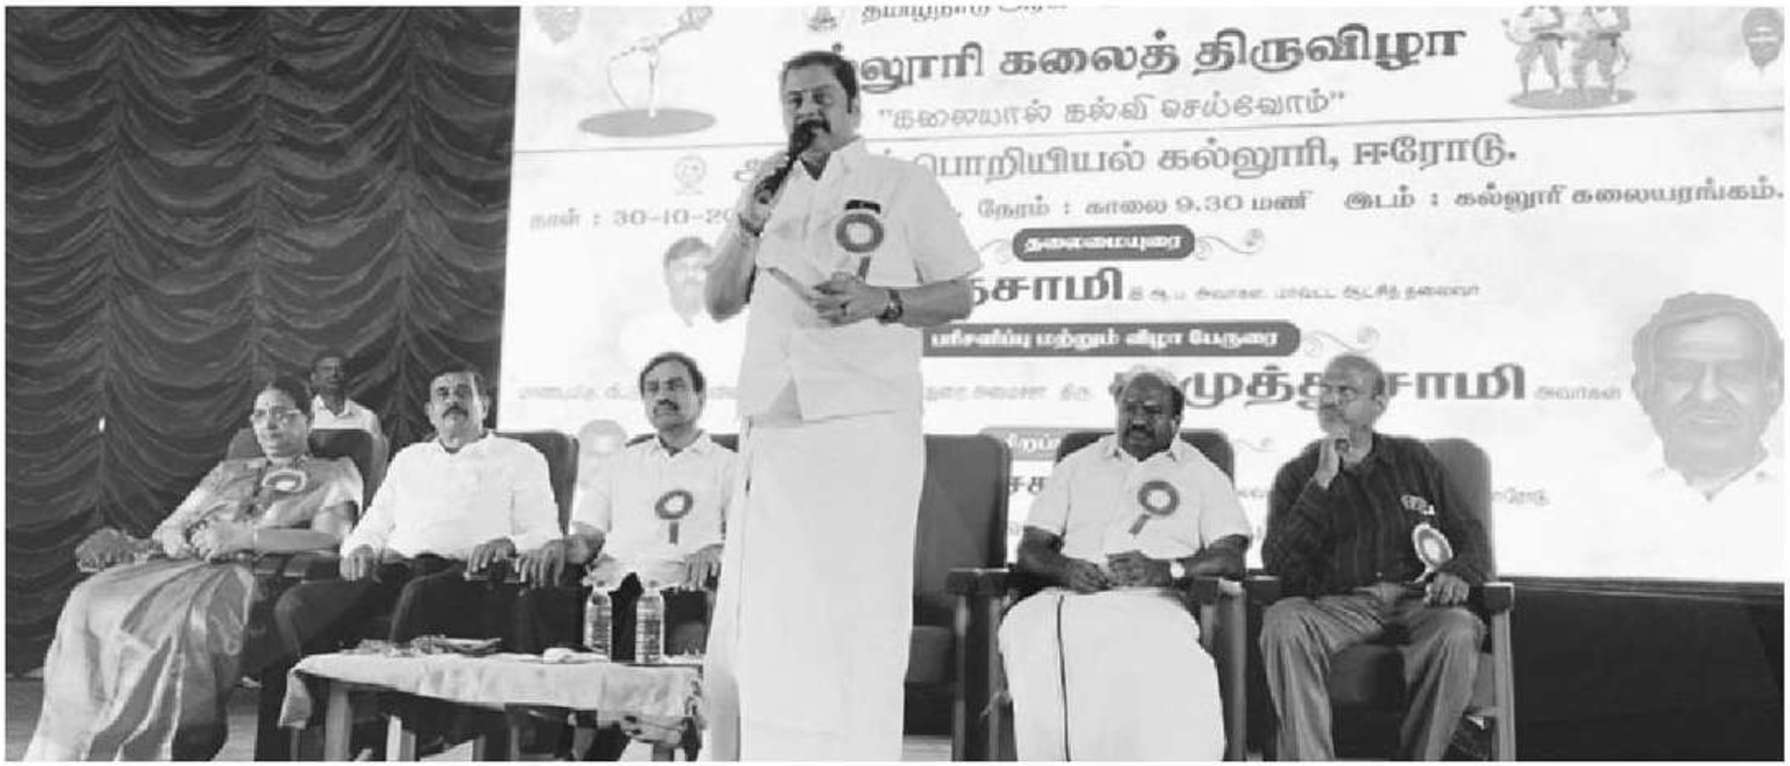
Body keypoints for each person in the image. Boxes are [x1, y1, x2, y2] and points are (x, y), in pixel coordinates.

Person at [700, 48, 982, 759]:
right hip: (776, 425)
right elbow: (719, 301)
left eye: (821, 96)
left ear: (853, 106)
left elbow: (958, 295)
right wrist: (747, 225)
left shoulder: (902, 183)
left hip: (864, 426)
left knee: (853, 616)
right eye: (793, 100)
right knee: (774, 620)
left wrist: (881, 301)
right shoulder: (767, 190)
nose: (807, 111)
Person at [26, 376, 363, 760]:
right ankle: (82, 742)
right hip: (183, 565)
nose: (269, 425)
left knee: (174, 629)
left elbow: (329, 538)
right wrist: (174, 537)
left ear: (308, 419)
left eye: (282, 414)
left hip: (250, 573)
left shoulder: (333, 473)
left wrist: (247, 537)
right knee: (88, 598)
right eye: (259, 415)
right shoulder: (228, 471)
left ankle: (168, 746)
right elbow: (172, 523)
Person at [262, 366, 561, 755]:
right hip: (394, 572)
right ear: (430, 412)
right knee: (296, 605)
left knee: (418, 595)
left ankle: (392, 731)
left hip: (471, 579)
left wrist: (508, 543)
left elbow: (546, 533)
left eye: (462, 393)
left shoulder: (519, 457)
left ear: (484, 406)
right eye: (442, 394)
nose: (452, 401)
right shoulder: (409, 459)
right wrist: (361, 548)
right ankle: (335, 720)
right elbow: (372, 525)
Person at [998, 367, 1250, 760]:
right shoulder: (1078, 465)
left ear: (1177, 420)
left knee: (1152, 647)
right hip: (1072, 595)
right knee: (1027, 626)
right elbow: (1030, 549)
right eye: (1129, 408)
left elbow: (1230, 556)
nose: (1138, 419)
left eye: (1152, 411)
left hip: (1153, 601)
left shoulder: (1202, 474)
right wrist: (1066, 569)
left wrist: (1169, 569)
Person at [1259, 353, 1493, 761]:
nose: (1330, 400)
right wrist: (1322, 482)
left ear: (1379, 403)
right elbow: (1280, 565)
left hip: (1421, 601)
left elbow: (1470, 535)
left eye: (1345, 391)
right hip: (1337, 605)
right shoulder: (1297, 474)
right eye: (1325, 390)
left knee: (1457, 628)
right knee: (1283, 621)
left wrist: (1458, 572)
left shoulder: (1414, 460)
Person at [516, 351, 735, 759]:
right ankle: (547, 746)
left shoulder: (729, 467)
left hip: (676, 588)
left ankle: (596, 752)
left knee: (638, 609)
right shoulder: (621, 463)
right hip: (607, 587)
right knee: (537, 603)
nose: (662, 396)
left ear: (701, 397)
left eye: (675, 386)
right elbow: (588, 540)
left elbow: (748, 542)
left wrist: (718, 549)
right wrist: (562, 546)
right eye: (653, 389)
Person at [618, 237, 747, 414]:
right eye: (681, 268)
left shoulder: (738, 329)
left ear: (714, 274)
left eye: (699, 268)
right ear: (666, 275)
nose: (690, 276)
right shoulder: (638, 331)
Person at [308, 347, 389, 486]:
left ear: (348, 376)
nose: (334, 374)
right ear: (314, 378)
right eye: (327, 369)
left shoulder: (366, 418)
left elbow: (377, 469)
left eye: (339, 369)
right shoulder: (302, 416)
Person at [1719, 8, 1784, 95]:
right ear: (1746, 39)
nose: (1761, 41)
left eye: (1768, 34)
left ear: (1781, 38)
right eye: (1755, 35)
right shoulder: (1732, 74)